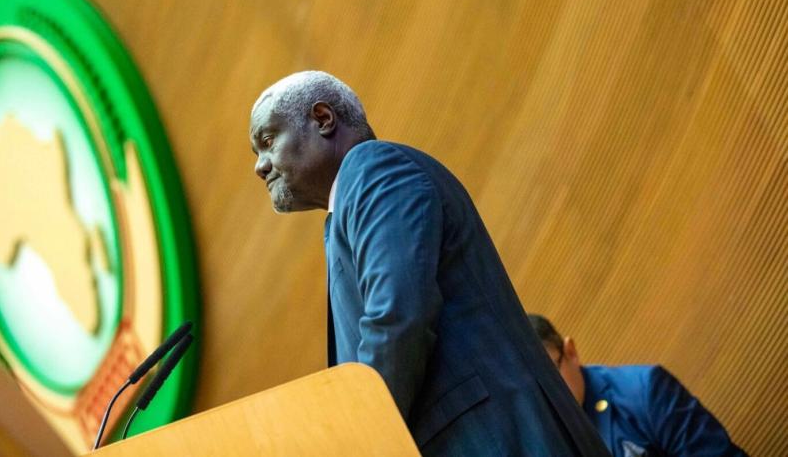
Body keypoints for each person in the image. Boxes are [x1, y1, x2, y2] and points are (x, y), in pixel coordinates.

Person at [249, 71, 609, 456]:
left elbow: (397, 317)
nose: (260, 166)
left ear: (323, 119)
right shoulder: (345, 208)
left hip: (497, 440)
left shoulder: (372, 169)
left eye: (267, 142)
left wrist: (362, 435)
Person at [528, 314, 747, 457]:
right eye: (535, 390)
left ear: (571, 352)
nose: (548, 395)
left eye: (551, 375)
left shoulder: (645, 391)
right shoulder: (538, 443)